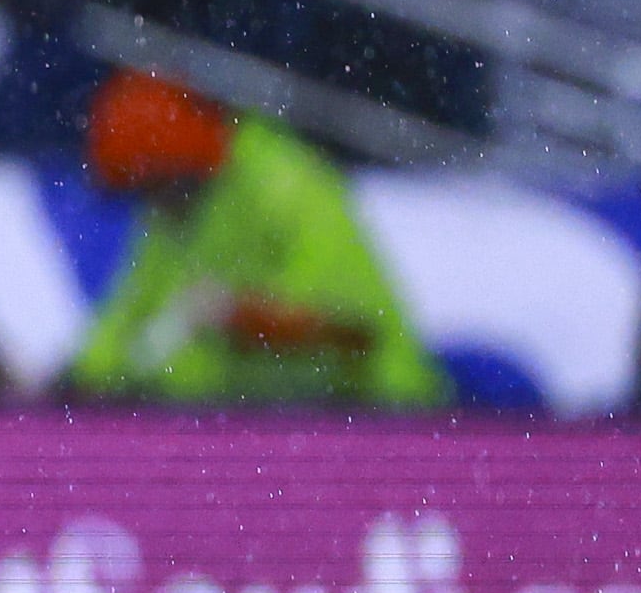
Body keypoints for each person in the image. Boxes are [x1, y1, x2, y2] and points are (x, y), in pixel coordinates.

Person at [67, 69, 450, 407]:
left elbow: (352, 329)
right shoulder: (172, 211)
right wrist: (78, 380)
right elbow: (127, 315)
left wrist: (245, 318)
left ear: (181, 169)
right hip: (253, 424)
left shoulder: (286, 183)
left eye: (154, 186)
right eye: (139, 191)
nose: (152, 203)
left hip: (379, 415)